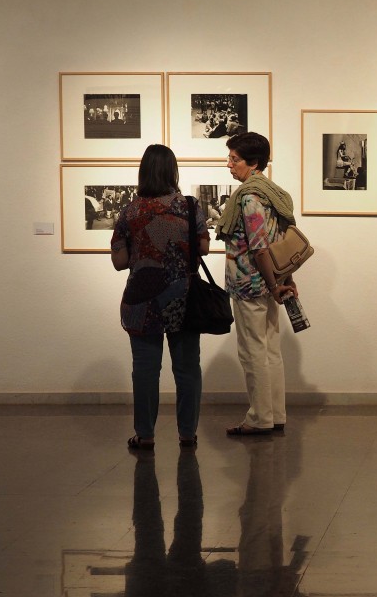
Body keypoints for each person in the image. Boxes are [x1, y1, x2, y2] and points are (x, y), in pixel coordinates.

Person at [111, 144, 209, 450]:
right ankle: (187, 434)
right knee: (187, 368)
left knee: (145, 369)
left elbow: (119, 261)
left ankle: (146, 434)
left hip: (142, 299)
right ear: (172, 171)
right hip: (183, 299)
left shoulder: (130, 211)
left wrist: (143, 250)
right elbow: (204, 248)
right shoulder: (191, 207)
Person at [214, 132, 297, 436]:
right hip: (269, 281)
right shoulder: (273, 192)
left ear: (253, 162)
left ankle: (259, 417)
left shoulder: (249, 197)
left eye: (234, 159)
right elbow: (283, 242)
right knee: (271, 349)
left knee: (253, 352)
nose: (229, 165)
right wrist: (284, 280)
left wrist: (276, 285)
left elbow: (260, 246)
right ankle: (275, 414)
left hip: (250, 283)